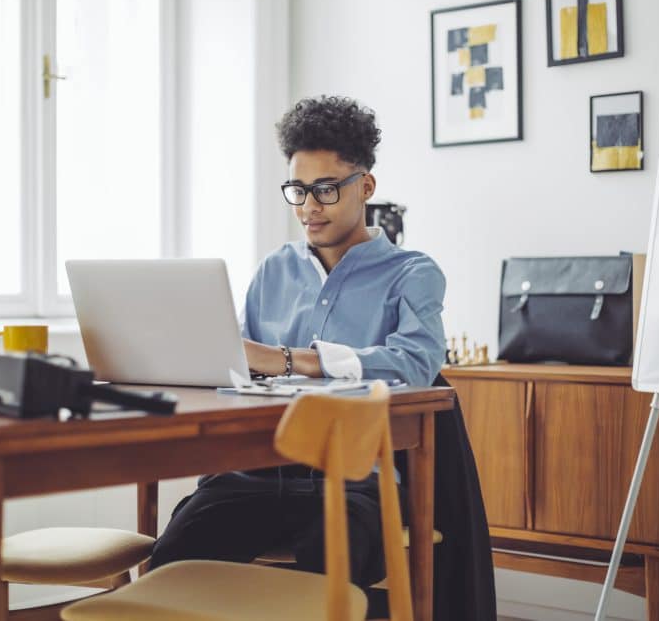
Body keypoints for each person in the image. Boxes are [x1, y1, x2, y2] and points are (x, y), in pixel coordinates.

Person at [148, 95, 447, 597]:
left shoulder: (411, 273)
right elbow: (238, 371)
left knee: (325, 573)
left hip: (357, 480)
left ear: (365, 187)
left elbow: (415, 365)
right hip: (258, 472)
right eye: (299, 189)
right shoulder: (273, 270)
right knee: (172, 564)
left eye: (326, 189)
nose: (309, 207)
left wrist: (292, 360)